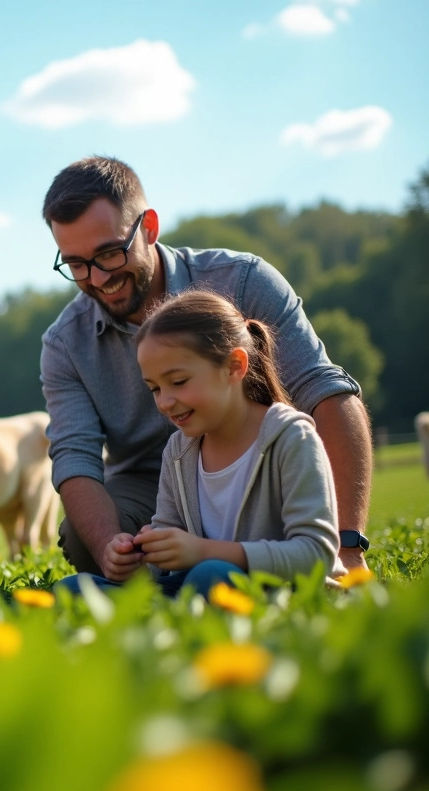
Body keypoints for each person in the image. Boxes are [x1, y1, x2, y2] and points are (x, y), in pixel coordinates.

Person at [39, 156, 371, 585]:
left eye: (109, 253)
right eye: (77, 265)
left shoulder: (244, 279)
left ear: (150, 228)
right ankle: (157, 586)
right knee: (83, 541)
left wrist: (346, 549)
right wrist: (109, 548)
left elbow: (323, 389)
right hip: (155, 484)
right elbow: (75, 456)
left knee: (224, 568)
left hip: (262, 463)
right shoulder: (65, 342)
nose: (98, 278)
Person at [56, 290, 340, 596]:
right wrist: (136, 556)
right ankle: (165, 612)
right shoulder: (179, 451)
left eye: (178, 382)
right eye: (154, 388)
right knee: (74, 588)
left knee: (211, 574)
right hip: (194, 584)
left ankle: (168, 614)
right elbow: (166, 533)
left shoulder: (291, 437)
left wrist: (204, 552)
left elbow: (316, 554)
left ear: (234, 366)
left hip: (275, 588)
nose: (164, 402)